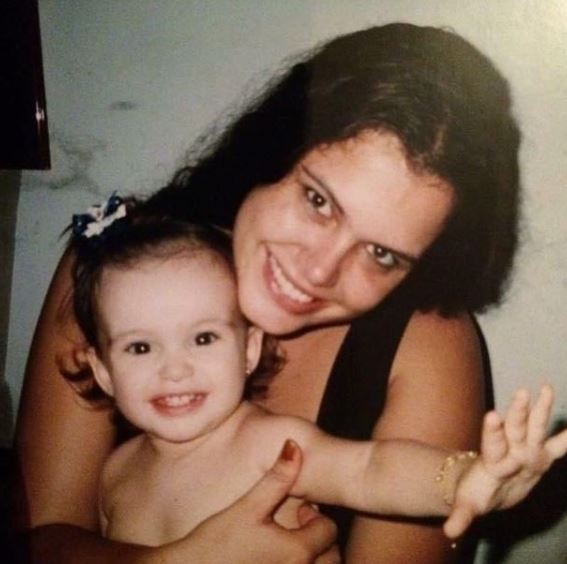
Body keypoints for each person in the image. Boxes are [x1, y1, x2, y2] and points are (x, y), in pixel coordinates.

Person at [14, 23, 522, 562]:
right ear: (271, 151)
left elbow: (388, 474)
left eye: (382, 254)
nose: (319, 271)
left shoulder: (426, 347)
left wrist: (474, 476)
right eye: (318, 200)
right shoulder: (120, 263)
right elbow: (44, 540)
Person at [69, 200, 566, 547]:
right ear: (104, 371)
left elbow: (370, 470)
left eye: (203, 338)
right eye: (139, 347)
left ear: (250, 349)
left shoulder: (270, 446)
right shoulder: (115, 474)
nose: (174, 369)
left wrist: (464, 478)